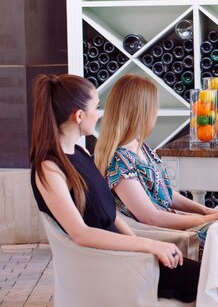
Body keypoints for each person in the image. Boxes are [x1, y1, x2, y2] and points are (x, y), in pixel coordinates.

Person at [30, 74, 200, 302]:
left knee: (214, 276)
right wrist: (148, 246)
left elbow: (112, 216)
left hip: (127, 258)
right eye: (96, 108)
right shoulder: (49, 169)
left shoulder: (81, 154)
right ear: (79, 116)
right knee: (210, 280)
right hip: (110, 268)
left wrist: (147, 248)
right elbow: (81, 234)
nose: (100, 115)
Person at [94, 74, 218, 251]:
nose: (155, 112)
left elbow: (167, 193)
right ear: (141, 111)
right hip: (158, 235)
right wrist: (205, 219)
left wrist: (206, 211)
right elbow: (151, 218)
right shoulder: (119, 161)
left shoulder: (141, 147)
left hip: (170, 223)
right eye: (153, 107)